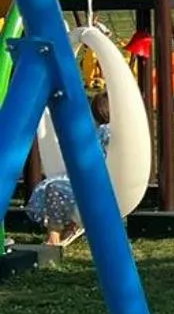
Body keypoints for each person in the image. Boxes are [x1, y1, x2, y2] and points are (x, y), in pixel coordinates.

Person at [27, 92, 111, 246]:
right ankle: (68, 227)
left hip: (96, 184)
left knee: (53, 188)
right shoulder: (107, 131)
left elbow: (92, 158)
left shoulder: (104, 131)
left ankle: (54, 236)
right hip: (97, 182)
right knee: (54, 186)